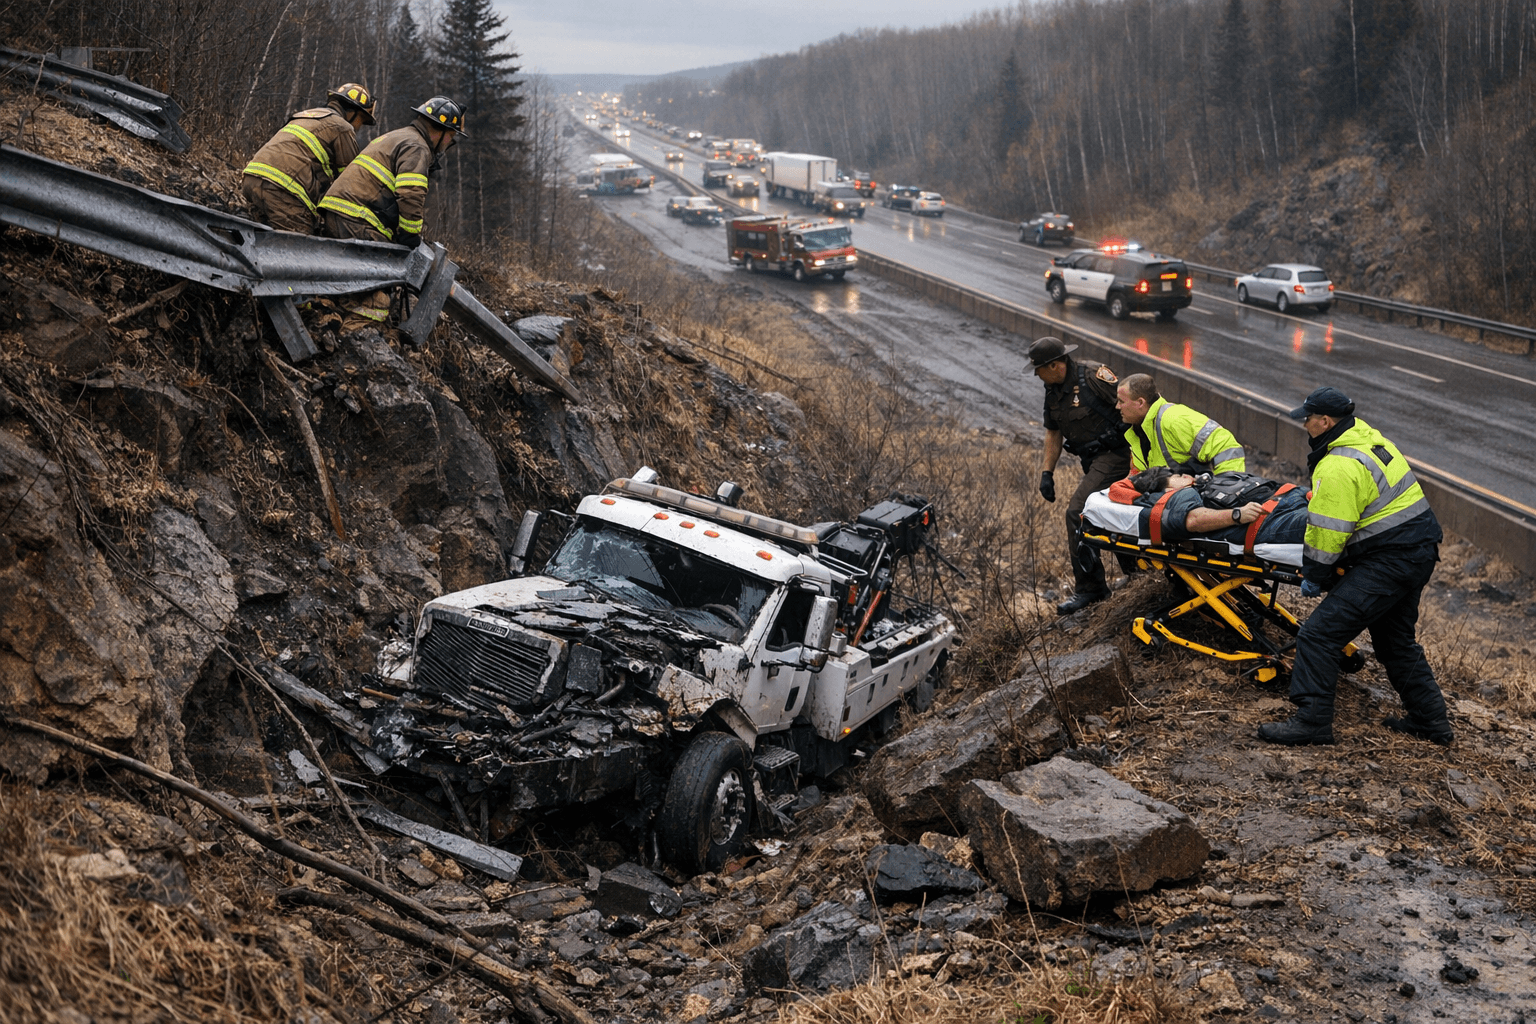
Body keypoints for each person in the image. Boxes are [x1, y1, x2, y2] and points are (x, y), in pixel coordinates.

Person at [1256, 387, 1452, 747]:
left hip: (1390, 560)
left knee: (1319, 635)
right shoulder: (1371, 441)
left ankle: (1312, 722)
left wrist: (1315, 575)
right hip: (1419, 549)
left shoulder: (1339, 465)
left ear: (1326, 421)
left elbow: (1328, 534)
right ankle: (1431, 722)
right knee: (1394, 641)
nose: (1304, 424)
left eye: (1308, 418)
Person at [319, 95, 467, 331]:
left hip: (338, 213)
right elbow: (411, 193)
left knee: (351, 284)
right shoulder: (418, 147)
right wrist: (410, 234)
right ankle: (352, 344)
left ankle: (333, 326)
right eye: (452, 136)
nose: (451, 143)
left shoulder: (397, 135)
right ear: (440, 130)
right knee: (377, 302)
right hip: (358, 221)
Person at [1029, 337, 1132, 614]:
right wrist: (1046, 473)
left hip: (1118, 455)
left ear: (1055, 365)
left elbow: (1132, 408)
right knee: (1112, 514)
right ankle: (1137, 575)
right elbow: (1053, 432)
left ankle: (1091, 589)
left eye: (1039, 369)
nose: (1037, 375)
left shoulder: (1093, 377)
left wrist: (1113, 436)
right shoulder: (1053, 390)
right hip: (1093, 460)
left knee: (1078, 512)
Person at [242, 83, 377, 234]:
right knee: (299, 246)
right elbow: (349, 181)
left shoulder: (305, 115)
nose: (359, 127)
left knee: (263, 240)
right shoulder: (342, 127)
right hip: (282, 188)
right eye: (362, 120)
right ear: (352, 111)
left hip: (251, 178)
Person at [1112, 466, 1309, 546]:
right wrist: (1236, 515)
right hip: (1271, 521)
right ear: (1166, 490)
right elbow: (1193, 520)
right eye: (1178, 477)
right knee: (1329, 522)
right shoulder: (1179, 495)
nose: (1185, 476)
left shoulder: (1202, 486)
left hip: (1287, 501)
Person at [1115, 374, 1246, 476]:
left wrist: (1228, 486)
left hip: (1191, 499)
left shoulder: (1173, 418)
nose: (1117, 407)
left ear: (1140, 403)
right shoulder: (1138, 430)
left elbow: (1225, 445)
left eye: (1121, 401)